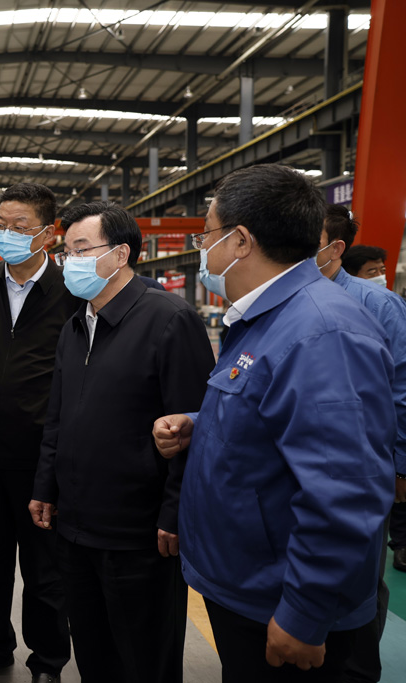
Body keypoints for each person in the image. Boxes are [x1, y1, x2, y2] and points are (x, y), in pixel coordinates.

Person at [153, 164, 395, 682]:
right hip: (247, 586)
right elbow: (275, 411)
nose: (203, 248)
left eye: (207, 234)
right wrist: (203, 422)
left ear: (241, 241)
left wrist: (305, 612)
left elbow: (345, 489)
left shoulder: (321, 333)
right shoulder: (267, 317)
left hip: (282, 601)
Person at [29, 201, 215, 683]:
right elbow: (58, 417)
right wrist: (46, 486)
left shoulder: (170, 320)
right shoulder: (76, 324)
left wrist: (175, 513)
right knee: (94, 654)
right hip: (75, 527)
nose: (69, 261)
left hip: (139, 535)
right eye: (66, 252)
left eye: (81, 249)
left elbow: (197, 430)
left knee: (144, 659)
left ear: (120, 254)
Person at [0, 183, 79, 683]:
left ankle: (47, 660)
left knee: (44, 569)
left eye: (19, 226)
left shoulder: (71, 290)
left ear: (48, 234)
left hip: (41, 458)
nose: (5, 234)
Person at [316, 204, 406, 682]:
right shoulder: (293, 299)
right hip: (314, 463)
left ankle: (358, 665)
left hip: (367, 464)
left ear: (335, 248)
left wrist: (401, 464)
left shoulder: (378, 305)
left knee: (362, 576)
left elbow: (402, 390)